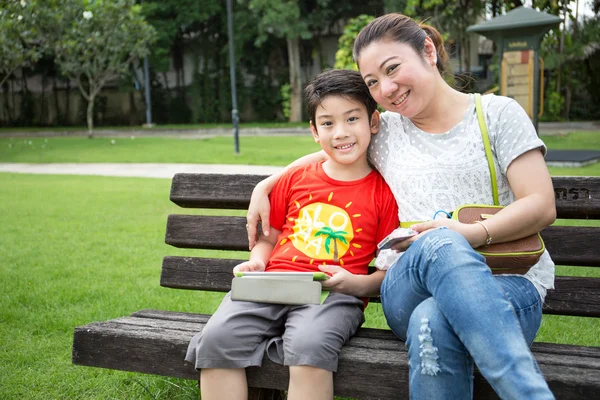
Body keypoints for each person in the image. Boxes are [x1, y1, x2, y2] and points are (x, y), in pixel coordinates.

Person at [246, 13, 557, 400]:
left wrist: (470, 234)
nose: (387, 89)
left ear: (428, 51)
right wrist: (268, 183)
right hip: (407, 287)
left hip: (509, 284)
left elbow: (542, 205)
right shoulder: (386, 130)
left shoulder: (497, 114)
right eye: (373, 82)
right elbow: (327, 151)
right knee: (436, 245)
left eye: (393, 69)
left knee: (433, 318)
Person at [185, 69, 400, 400]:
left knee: (309, 343)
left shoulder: (383, 194)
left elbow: (386, 272)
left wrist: (353, 284)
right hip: (272, 283)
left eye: (352, 119)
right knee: (217, 338)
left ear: (373, 122)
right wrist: (257, 262)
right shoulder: (296, 178)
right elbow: (268, 239)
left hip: (333, 295)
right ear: (314, 131)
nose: (340, 132)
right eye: (328, 123)